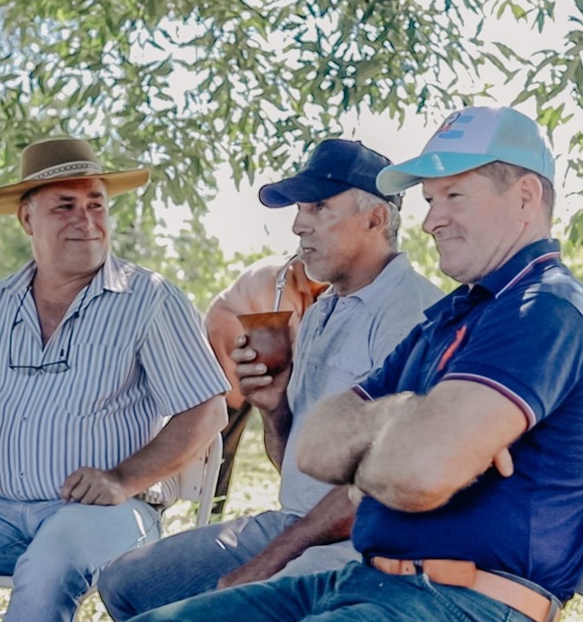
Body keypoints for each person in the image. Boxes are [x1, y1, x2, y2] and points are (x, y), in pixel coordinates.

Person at [128, 106, 583, 622]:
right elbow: (316, 448)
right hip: (369, 581)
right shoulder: (449, 318)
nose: (431, 221)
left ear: (525, 197)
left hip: (460, 600)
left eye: (454, 196)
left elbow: (421, 474)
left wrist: (396, 447)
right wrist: (415, 416)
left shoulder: (545, 310)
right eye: (430, 200)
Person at [0, 138, 230, 622]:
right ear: (26, 219)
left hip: (110, 511)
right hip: (1, 509)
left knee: (48, 569)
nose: (86, 219)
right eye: (65, 206)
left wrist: (121, 479)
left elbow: (207, 411)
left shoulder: (149, 298)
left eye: (96, 204)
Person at [97, 139, 443, 620]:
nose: (299, 225)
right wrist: (274, 410)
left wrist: (265, 562)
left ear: (375, 219)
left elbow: (381, 490)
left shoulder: (411, 315)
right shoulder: (322, 311)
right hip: (295, 523)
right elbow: (294, 471)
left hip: (362, 545)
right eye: (299, 210)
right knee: (125, 582)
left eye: (318, 208)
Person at [203, 254, 328, 516]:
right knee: (218, 436)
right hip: (232, 350)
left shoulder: (312, 287)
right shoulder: (277, 279)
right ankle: (207, 507)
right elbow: (282, 338)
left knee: (225, 440)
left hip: (253, 360)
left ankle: (212, 507)